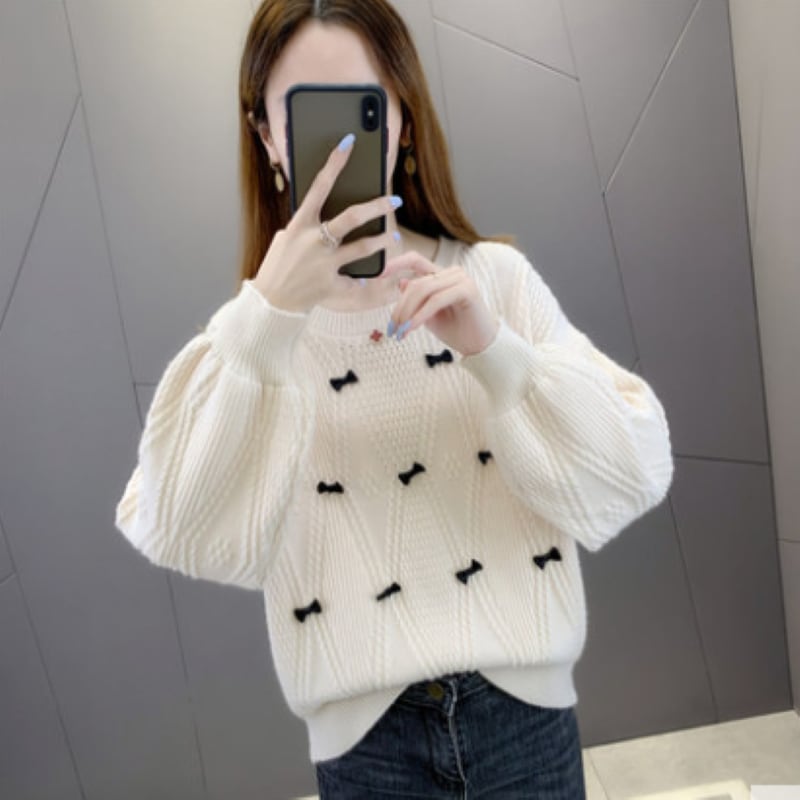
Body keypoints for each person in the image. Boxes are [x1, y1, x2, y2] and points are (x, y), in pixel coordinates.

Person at [114, 0, 674, 797]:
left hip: (524, 719)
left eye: (363, 110)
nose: (339, 148)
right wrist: (265, 318)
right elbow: (175, 523)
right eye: (307, 116)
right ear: (267, 137)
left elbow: (635, 467)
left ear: (402, 120)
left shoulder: (493, 282)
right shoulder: (253, 342)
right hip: (367, 747)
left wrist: (496, 353)